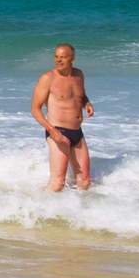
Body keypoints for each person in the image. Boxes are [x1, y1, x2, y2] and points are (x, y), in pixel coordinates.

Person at [32, 43, 94, 191]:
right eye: (56, 57)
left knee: (84, 180)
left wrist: (87, 103)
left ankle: (79, 212)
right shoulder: (48, 78)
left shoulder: (78, 75)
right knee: (58, 182)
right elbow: (35, 110)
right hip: (58, 131)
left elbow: (80, 95)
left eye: (63, 57)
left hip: (77, 132)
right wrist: (53, 132)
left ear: (72, 58)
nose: (58, 60)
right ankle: (42, 210)